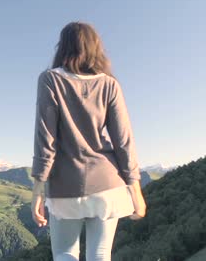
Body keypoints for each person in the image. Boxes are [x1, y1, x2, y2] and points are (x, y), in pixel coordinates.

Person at [30, 21, 147, 261]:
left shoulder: (50, 80)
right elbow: (123, 141)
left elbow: (45, 140)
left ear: (62, 47)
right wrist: (136, 192)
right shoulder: (109, 84)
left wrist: (38, 191)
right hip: (107, 184)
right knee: (101, 254)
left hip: (65, 185)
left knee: (64, 254)